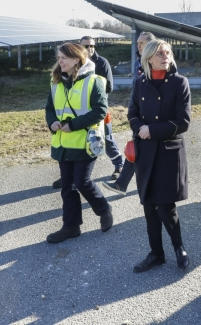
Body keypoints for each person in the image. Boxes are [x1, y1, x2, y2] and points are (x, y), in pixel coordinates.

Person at [128, 39, 191, 273]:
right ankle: (156, 253)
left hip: (168, 152)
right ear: (149, 58)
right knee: (149, 206)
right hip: (145, 153)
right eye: (160, 53)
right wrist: (139, 128)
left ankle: (179, 248)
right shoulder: (140, 83)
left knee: (166, 206)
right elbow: (132, 114)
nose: (165, 56)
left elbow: (182, 122)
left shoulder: (179, 83)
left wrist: (151, 130)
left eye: (168, 52)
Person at [44, 43, 113, 243]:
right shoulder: (56, 81)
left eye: (64, 58)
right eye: (58, 58)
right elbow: (49, 108)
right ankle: (71, 227)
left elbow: (100, 111)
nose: (60, 62)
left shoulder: (94, 81)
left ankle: (104, 209)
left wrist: (73, 125)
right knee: (67, 186)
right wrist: (52, 122)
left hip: (86, 142)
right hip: (63, 143)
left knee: (82, 182)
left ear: (77, 60)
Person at [51, 36, 124, 189]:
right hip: (69, 132)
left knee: (107, 139)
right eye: (85, 46)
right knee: (72, 181)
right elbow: (52, 106)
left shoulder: (101, 63)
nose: (89, 48)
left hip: (95, 115)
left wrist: (93, 92)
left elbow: (107, 87)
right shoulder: (59, 79)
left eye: (92, 45)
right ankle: (67, 178)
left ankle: (119, 165)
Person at [102, 31, 157, 195]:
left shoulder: (156, 63)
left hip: (152, 114)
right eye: (138, 43)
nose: (138, 46)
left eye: (142, 43)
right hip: (139, 112)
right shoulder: (138, 63)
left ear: (151, 45)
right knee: (139, 147)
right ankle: (124, 184)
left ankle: (123, 184)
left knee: (141, 148)